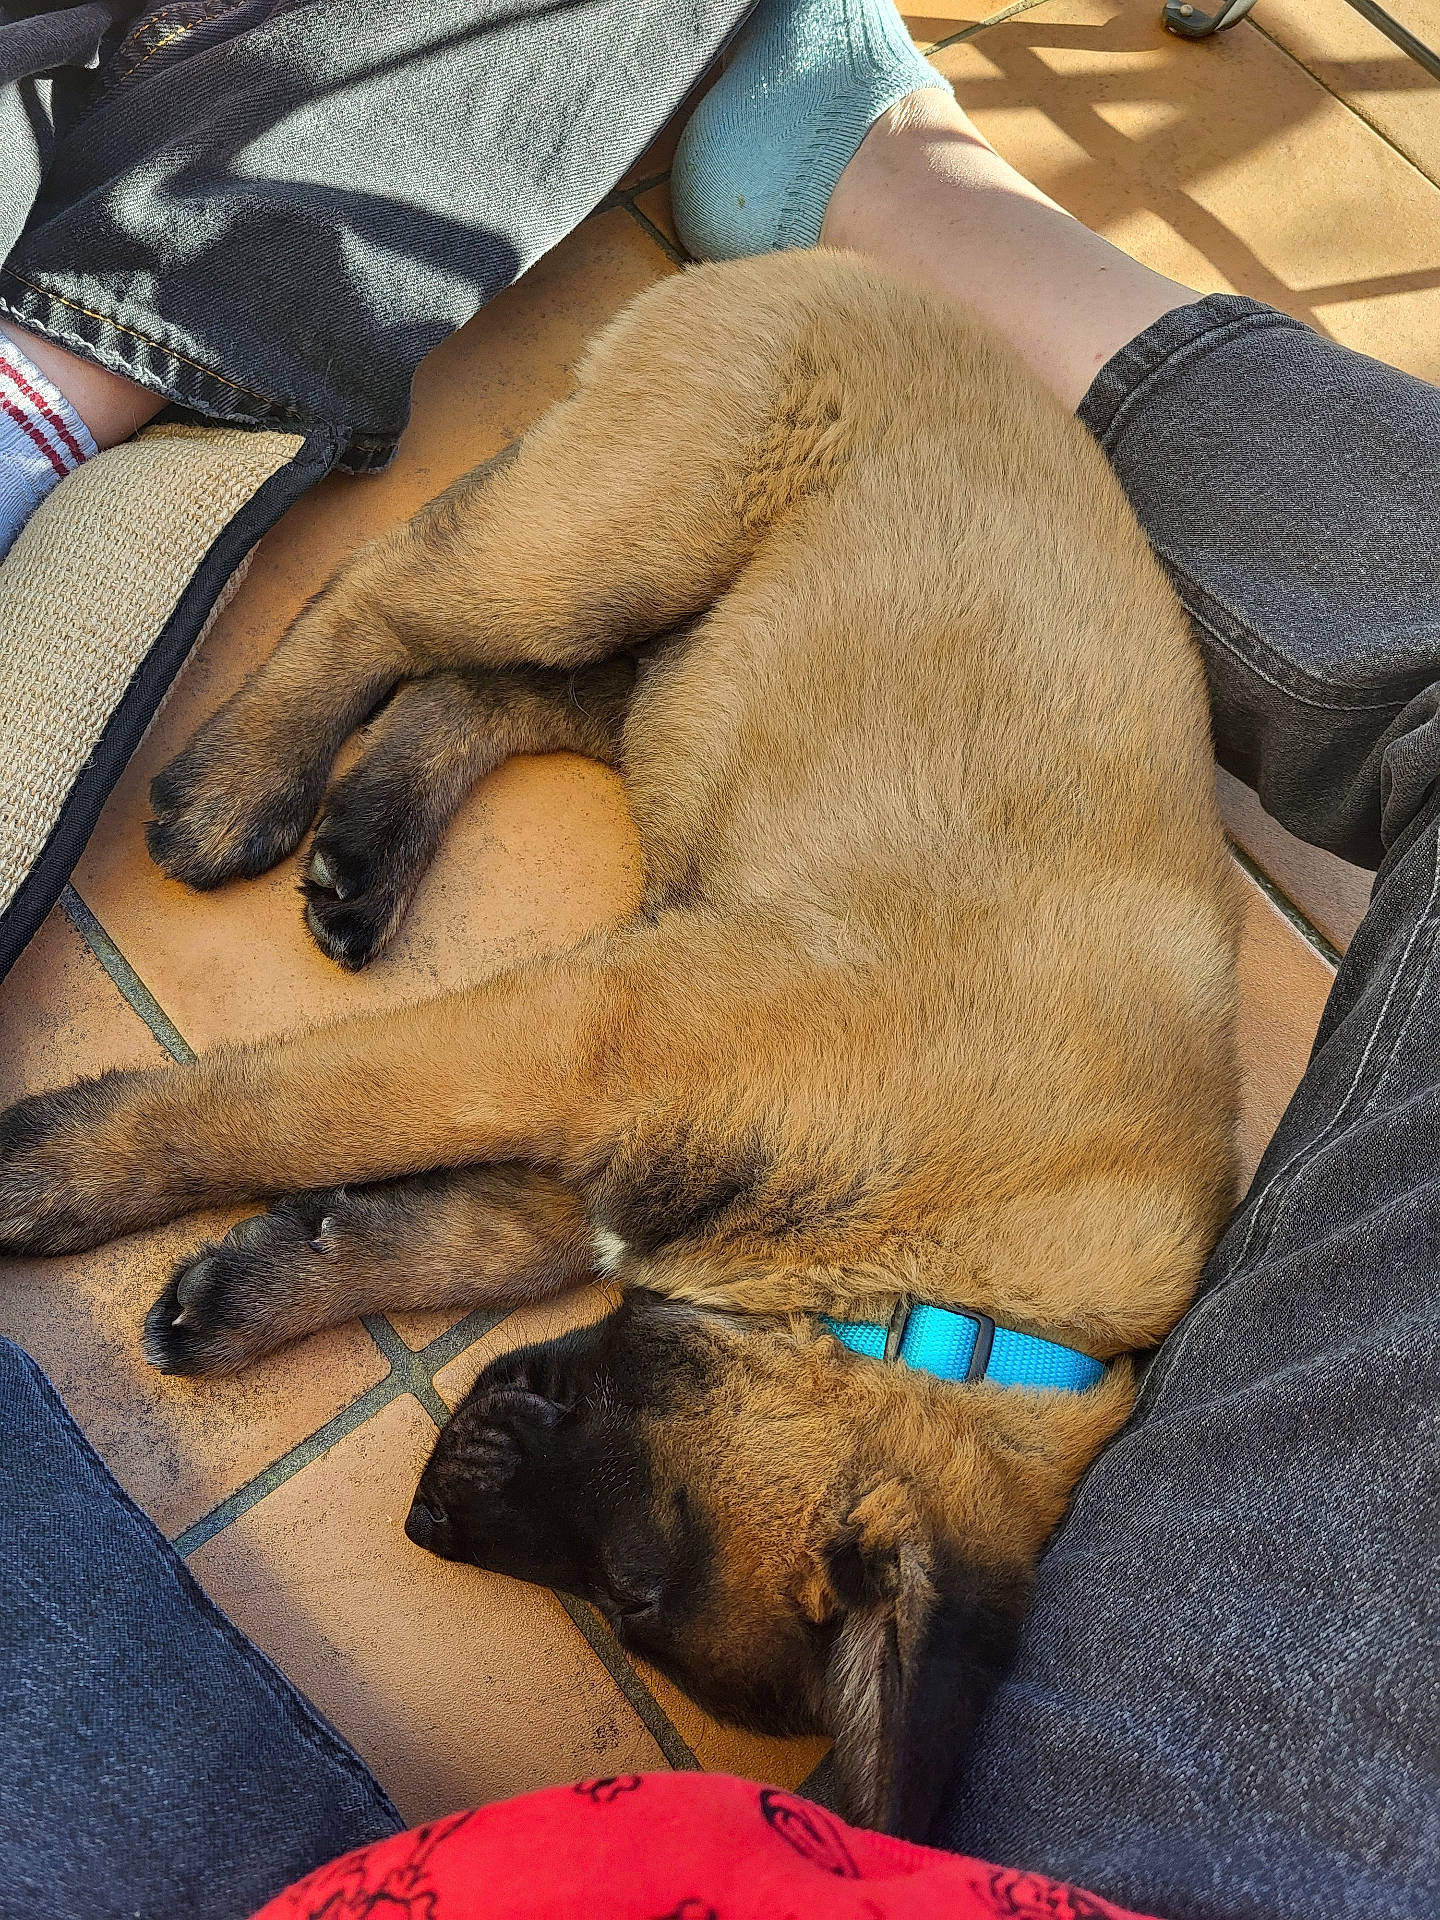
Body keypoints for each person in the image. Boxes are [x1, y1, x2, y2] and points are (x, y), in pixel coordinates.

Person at [2, 0, 1437, 1915]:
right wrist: (148, 1153)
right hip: (822, 412)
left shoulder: (920, 1321)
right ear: (874, 1549)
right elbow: (584, 1079)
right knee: (523, 605)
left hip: (768, 708)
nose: (582, 1541)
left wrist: (350, 1269)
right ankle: (370, 649)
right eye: (649, 1560)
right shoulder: (973, 1157)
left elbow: (664, 1238)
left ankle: (478, 722)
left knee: (651, 1107)